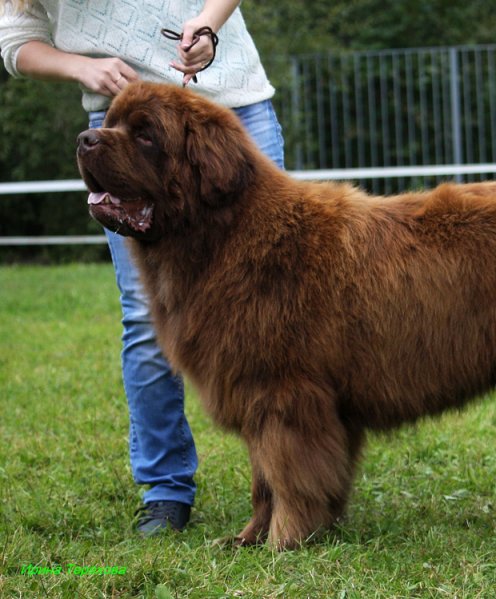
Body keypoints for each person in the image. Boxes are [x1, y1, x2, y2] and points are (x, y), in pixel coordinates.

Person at [0, 0, 285, 535]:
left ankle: (281, 489)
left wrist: (209, 24)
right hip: (127, 129)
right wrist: (82, 67)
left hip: (231, 106)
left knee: (271, 315)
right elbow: (15, 42)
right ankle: (165, 491)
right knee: (147, 317)